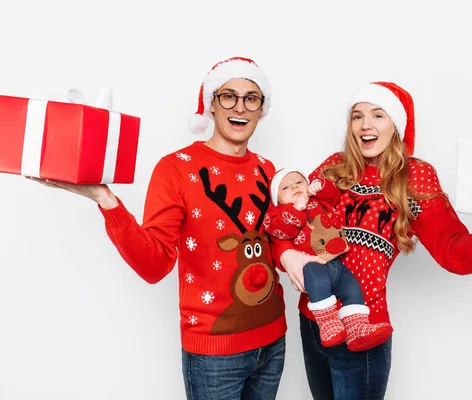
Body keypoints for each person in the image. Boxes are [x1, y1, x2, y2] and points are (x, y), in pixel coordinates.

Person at [28, 56, 317, 400]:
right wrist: (106, 201)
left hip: (273, 339)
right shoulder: (176, 169)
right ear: (211, 104)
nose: (239, 106)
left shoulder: (269, 171)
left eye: (251, 98)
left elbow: (281, 237)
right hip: (213, 353)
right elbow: (154, 265)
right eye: (228, 95)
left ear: (261, 109)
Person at [272, 81, 472, 400]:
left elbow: (456, 253)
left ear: (396, 124)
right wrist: (287, 256)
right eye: (358, 116)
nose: (365, 125)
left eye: (378, 115)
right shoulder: (333, 168)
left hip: (362, 332)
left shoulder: (414, 177)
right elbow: (283, 221)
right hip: (313, 320)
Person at [265, 168, 393, 351]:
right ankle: (328, 324)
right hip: (312, 265)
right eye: (286, 187)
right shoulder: (280, 213)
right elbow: (280, 231)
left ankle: (357, 327)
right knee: (319, 287)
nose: (294, 187)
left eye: (299, 182)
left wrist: (320, 187)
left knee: (352, 287)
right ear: (277, 200)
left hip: (336, 263)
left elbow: (334, 196)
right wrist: (296, 210)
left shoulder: (319, 202)